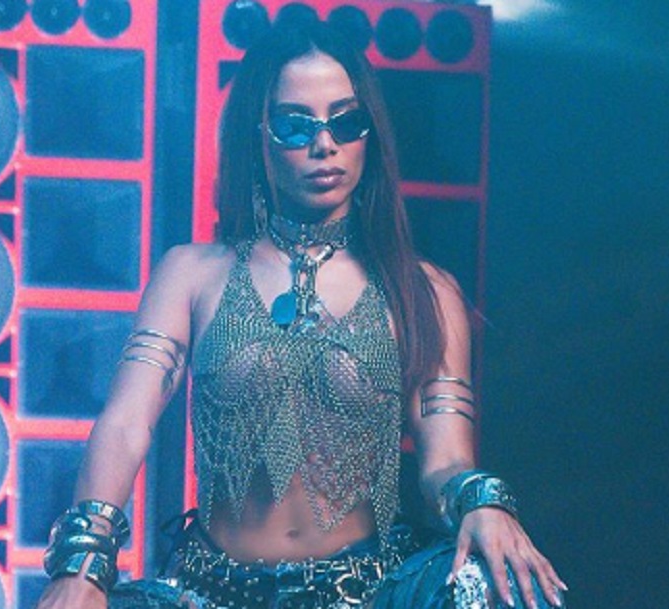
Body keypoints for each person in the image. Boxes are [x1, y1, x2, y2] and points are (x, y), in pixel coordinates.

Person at [36, 20, 566, 609]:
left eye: (345, 122)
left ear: (369, 133)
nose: (325, 145)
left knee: (491, 579)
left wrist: (481, 502)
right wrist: (83, 562)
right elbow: (126, 425)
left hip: (369, 593)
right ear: (258, 137)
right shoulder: (191, 274)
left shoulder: (423, 289)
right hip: (210, 594)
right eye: (295, 125)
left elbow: (445, 460)